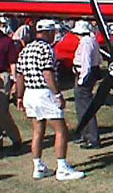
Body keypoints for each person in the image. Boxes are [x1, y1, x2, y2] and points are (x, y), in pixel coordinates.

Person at [16, 19, 85, 180]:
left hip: (30, 93)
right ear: (48, 32)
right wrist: (57, 94)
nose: (55, 35)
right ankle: (62, 168)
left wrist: (19, 96)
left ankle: (38, 166)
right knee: (61, 130)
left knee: (38, 131)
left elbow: (19, 75)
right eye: (53, 32)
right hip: (44, 93)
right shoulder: (46, 49)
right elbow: (47, 73)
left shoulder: (26, 49)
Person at [72, 20, 102, 149]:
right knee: (82, 105)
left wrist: (81, 79)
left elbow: (86, 61)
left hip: (85, 74)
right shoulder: (91, 40)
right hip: (88, 73)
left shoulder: (85, 42)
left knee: (84, 106)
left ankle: (91, 137)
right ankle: (85, 135)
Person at [0, 21, 22, 154]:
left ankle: (16, 139)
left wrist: (14, 80)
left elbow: (13, 62)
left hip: (3, 76)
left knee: (2, 112)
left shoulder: (6, 41)